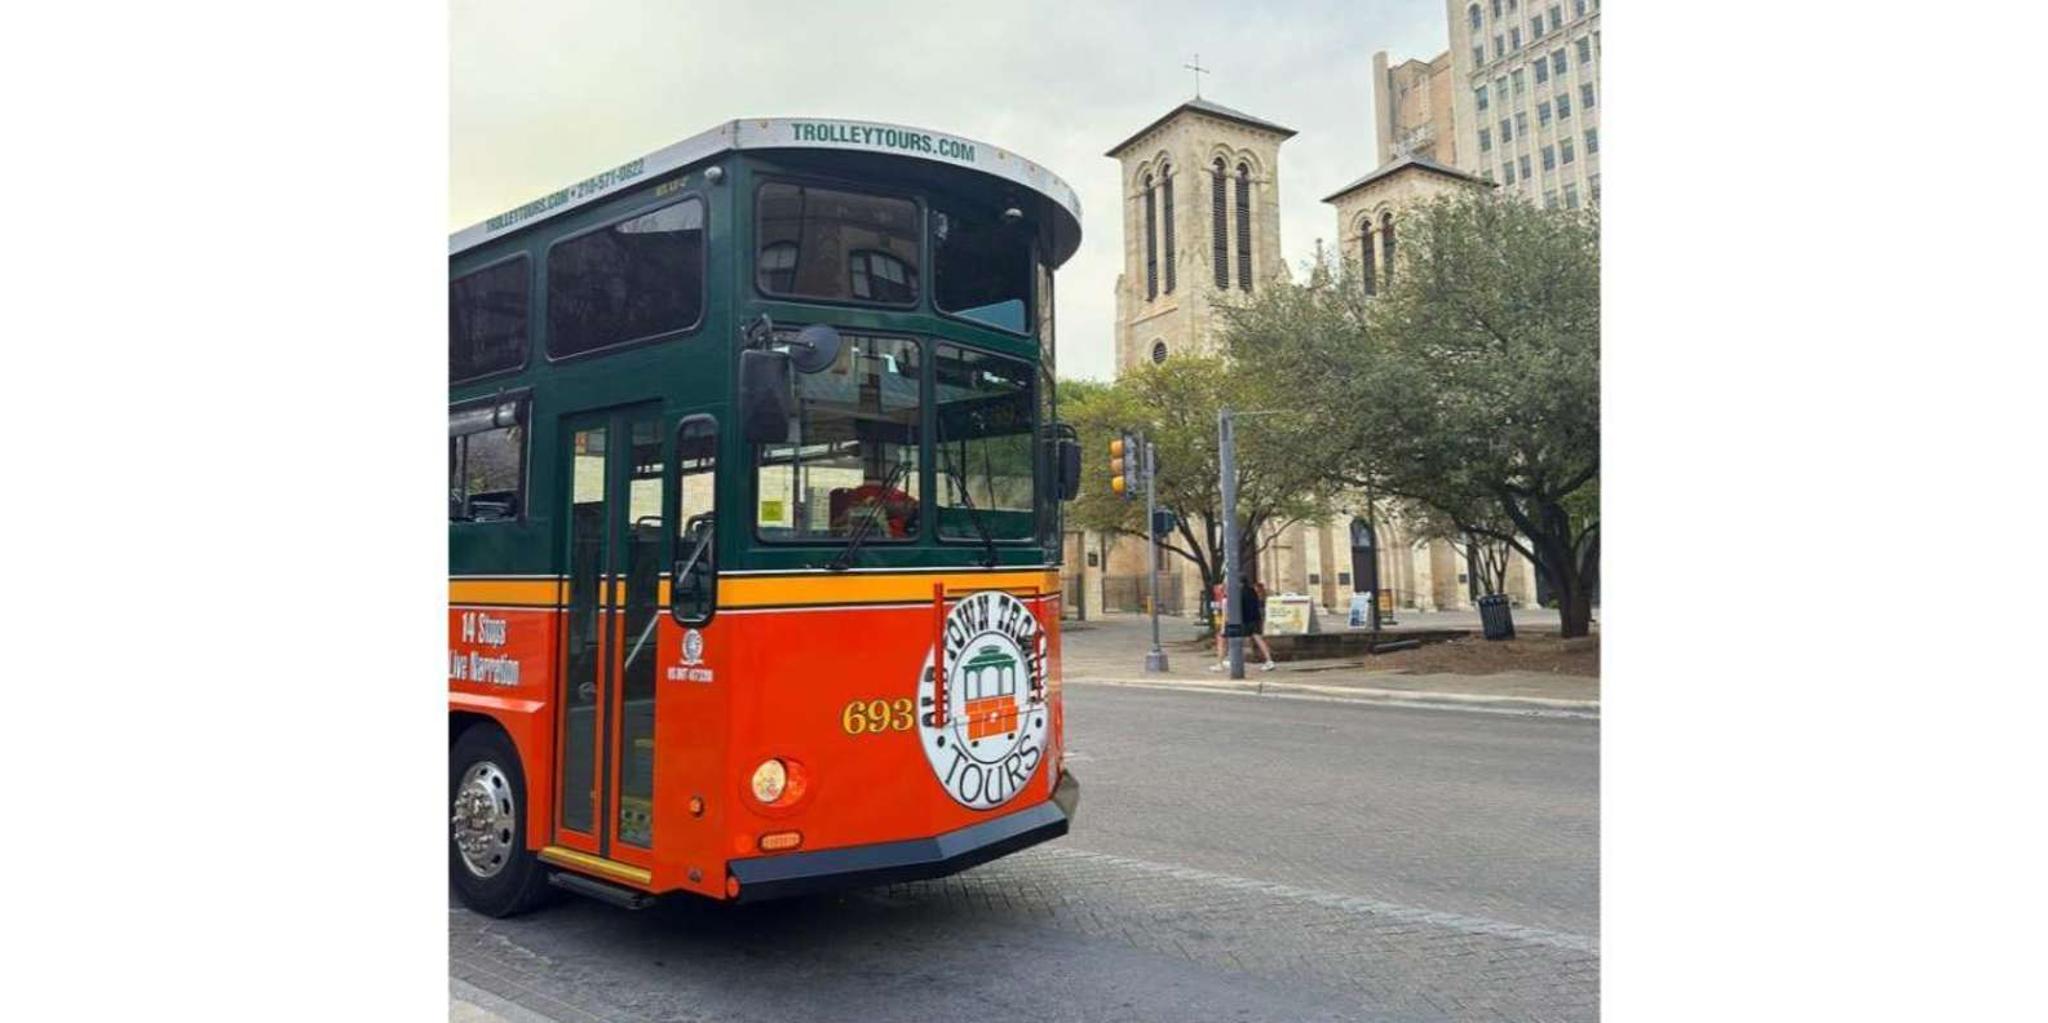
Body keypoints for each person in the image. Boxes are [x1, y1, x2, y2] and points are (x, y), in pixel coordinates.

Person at [1210, 576, 1277, 672]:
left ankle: (1221, 663)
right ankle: (1269, 660)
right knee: (1258, 639)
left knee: (1222, 638)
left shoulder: (1236, 594)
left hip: (1241, 621)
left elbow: (1231, 609)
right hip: (1253, 619)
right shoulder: (1251, 591)